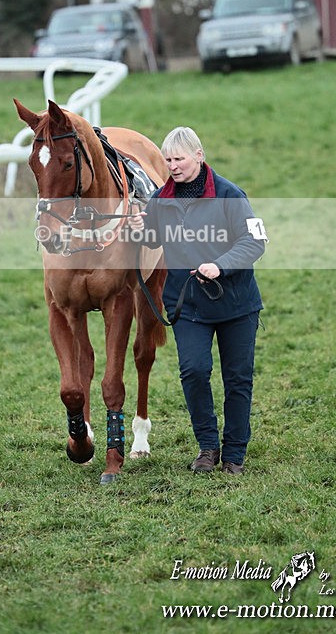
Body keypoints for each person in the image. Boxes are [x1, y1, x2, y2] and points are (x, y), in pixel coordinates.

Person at [129, 126, 266, 474]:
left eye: (179, 158)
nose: (173, 165)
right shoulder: (161, 199)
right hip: (188, 305)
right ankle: (208, 447)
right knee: (193, 371)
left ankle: (234, 453)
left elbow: (256, 243)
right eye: (168, 160)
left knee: (238, 378)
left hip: (236, 305)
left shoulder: (231, 195)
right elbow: (152, 236)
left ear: (199, 156)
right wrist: (137, 228)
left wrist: (220, 266)